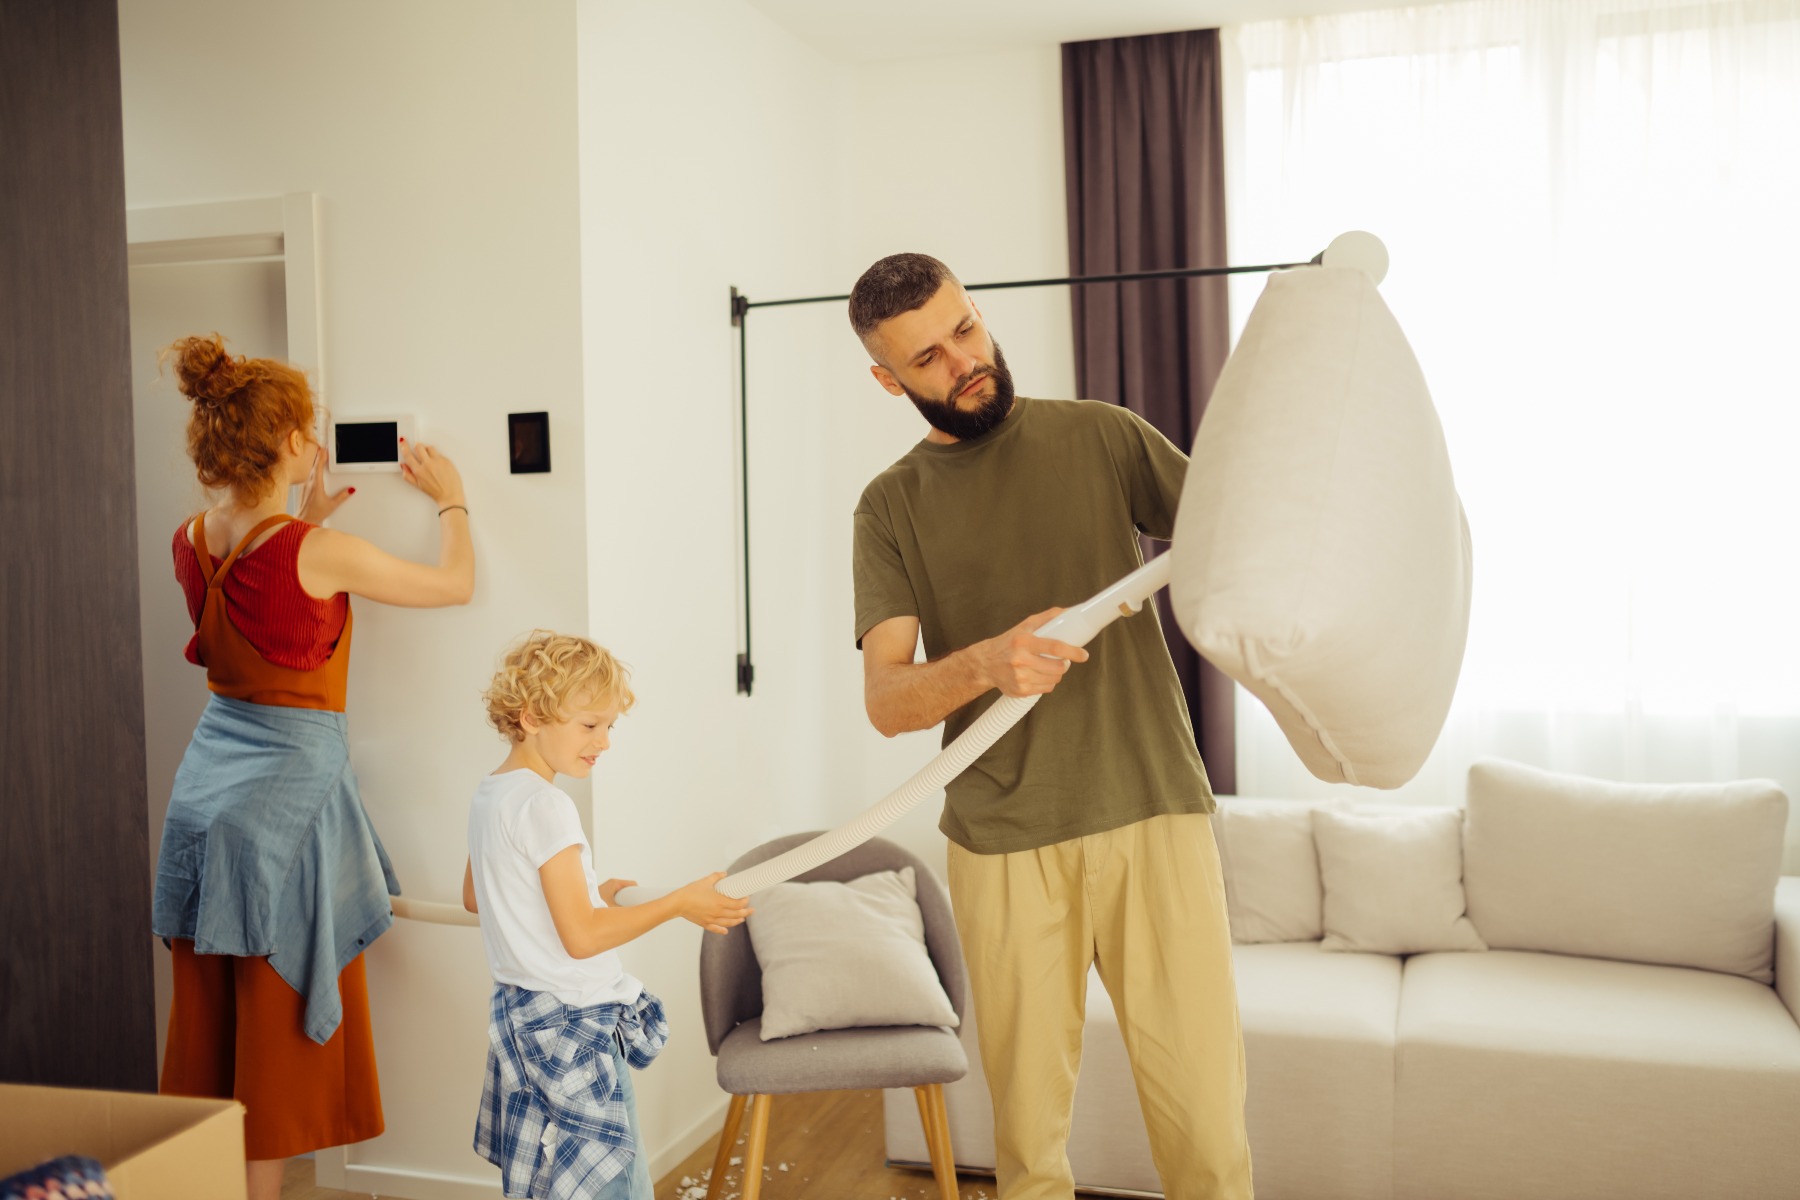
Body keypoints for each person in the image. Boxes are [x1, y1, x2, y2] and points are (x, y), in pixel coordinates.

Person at [848, 254, 1252, 1200]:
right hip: (1002, 843)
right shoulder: (890, 507)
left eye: (965, 330)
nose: (962, 362)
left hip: (1153, 810)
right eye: (927, 359)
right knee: (1029, 1148)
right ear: (889, 380)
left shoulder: (1102, 438)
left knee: (1208, 1131)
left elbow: (1242, 536)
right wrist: (988, 663)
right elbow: (886, 700)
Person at [151, 333, 475, 1200]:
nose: (319, 442)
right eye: (311, 429)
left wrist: (309, 522)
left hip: (202, 802)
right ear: (289, 443)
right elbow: (455, 586)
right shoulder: (312, 553)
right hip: (282, 810)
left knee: (216, 1024)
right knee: (272, 1036)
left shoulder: (191, 537)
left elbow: (256, 593)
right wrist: (453, 503)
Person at [464, 632, 750, 1199]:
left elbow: (482, 896)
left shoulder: (492, 793)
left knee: (563, 1186)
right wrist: (678, 904)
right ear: (532, 716)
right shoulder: (547, 805)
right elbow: (582, 937)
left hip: (524, 1021)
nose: (605, 742)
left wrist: (592, 887)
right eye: (590, 725)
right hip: (574, 1027)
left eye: (611, 726)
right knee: (614, 1184)